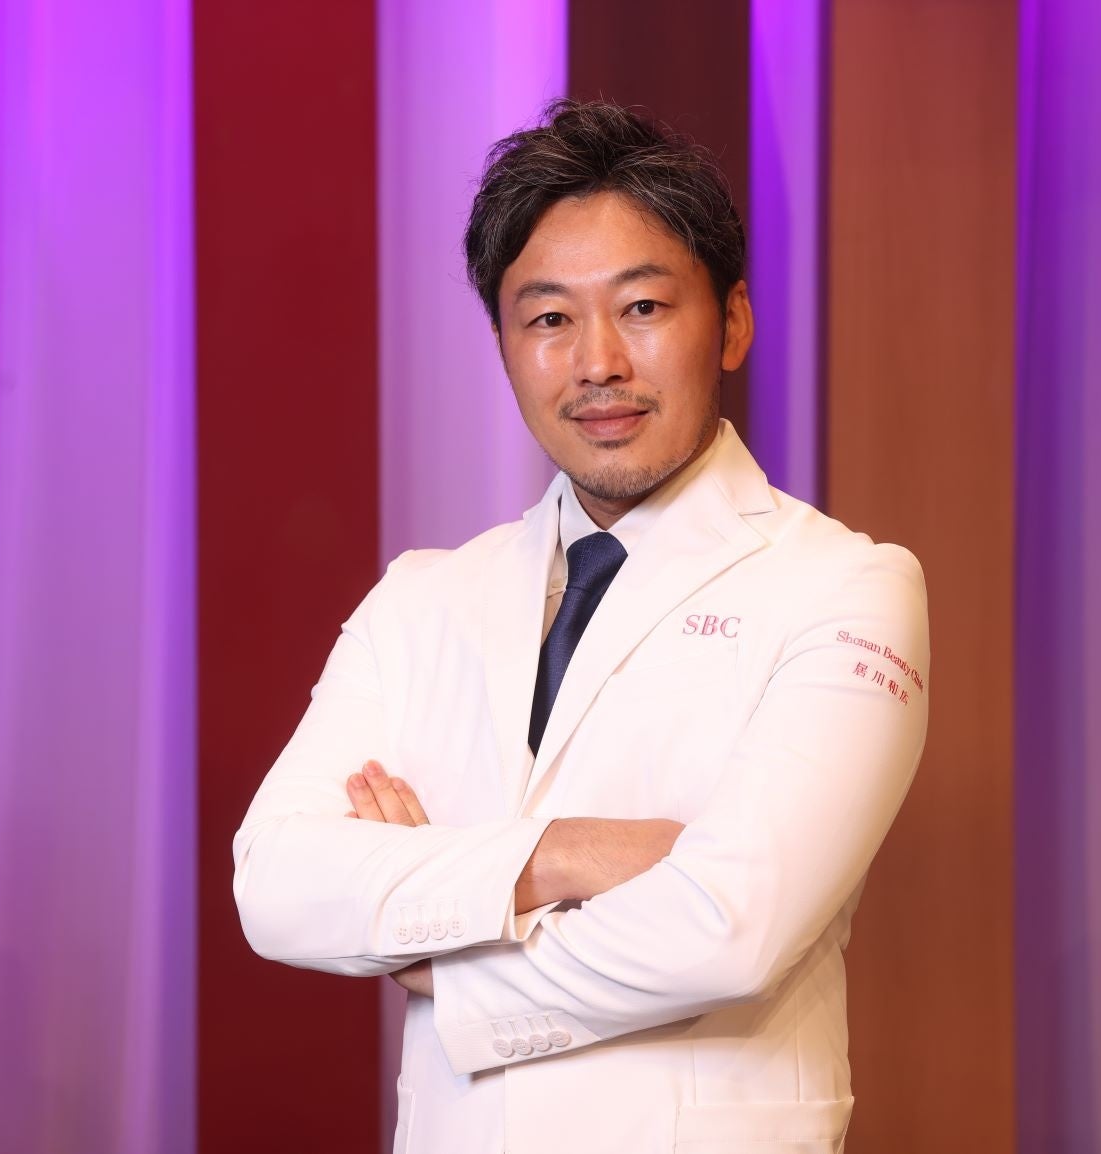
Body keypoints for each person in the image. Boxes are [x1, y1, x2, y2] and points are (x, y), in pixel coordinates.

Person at [233, 99, 929, 1154]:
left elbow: (731, 928)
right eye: (549, 319)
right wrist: (562, 856)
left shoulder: (846, 587)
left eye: (642, 307)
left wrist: (434, 951)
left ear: (732, 321)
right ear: (505, 345)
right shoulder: (423, 597)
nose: (597, 361)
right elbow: (277, 884)